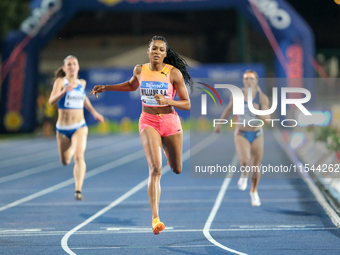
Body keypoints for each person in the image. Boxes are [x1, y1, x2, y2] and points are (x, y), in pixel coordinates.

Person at [90, 36, 192, 234]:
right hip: (148, 121)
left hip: (170, 123)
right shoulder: (140, 70)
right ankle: (155, 219)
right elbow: (131, 85)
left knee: (177, 168)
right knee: (155, 169)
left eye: (161, 49)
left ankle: (163, 147)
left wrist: (167, 101)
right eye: (154, 48)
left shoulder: (173, 74)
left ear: (165, 54)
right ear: (148, 51)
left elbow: (187, 104)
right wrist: (106, 87)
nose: (156, 52)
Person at [49, 55, 104, 200]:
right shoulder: (60, 82)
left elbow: (83, 98)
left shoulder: (82, 83)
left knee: (79, 156)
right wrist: (63, 91)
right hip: (62, 128)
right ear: (64, 68)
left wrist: (94, 112)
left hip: (79, 126)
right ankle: (72, 147)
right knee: (65, 160)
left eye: (74, 64)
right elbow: (51, 101)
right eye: (69, 64)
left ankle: (78, 190)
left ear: (78, 67)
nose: (72, 66)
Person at [214, 70, 270, 206]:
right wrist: (219, 123)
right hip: (241, 133)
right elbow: (228, 109)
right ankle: (244, 174)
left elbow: (268, 120)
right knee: (245, 161)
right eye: (246, 79)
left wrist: (258, 111)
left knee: (256, 166)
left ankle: (254, 191)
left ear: (256, 80)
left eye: (251, 79)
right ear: (243, 81)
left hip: (256, 133)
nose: (248, 81)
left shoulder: (262, 98)